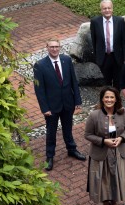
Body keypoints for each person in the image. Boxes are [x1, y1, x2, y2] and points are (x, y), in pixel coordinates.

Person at [34, 38, 86, 171]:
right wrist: (44, 108)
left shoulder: (66, 60)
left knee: (68, 128)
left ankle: (71, 149)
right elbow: (39, 90)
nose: (54, 49)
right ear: (47, 47)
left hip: (68, 103)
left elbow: (74, 81)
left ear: (60, 47)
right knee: (51, 132)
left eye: (57, 46)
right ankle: (50, 156)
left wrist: (77, 101)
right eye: (51, 47)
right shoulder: (40, 65)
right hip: (51, 107)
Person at [84, 87, 125, 205]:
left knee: (116, 178)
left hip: (118, 152)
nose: (109, 100)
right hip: (101, 154)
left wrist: (121, 138)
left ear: (116, 99)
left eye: (112, 97)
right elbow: (87, 135)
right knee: (103, 181)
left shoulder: (123, 113)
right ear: (102, 99)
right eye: (106, 97)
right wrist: (103, 141)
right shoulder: (94, 115)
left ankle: (114, 203)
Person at [90, 0, 125, 87]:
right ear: (101, 10)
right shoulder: (95, 22)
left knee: (118, 82)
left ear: (112, 9)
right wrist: (97, 57)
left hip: (117, 56)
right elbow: (94, 40)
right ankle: (107, 99)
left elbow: (124, 40)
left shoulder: (119, 21)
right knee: (106, 82)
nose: (107, 10)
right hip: (103, 57)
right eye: (104, 8)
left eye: (109, 8)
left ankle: (116, 99)